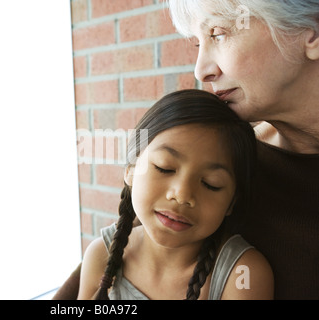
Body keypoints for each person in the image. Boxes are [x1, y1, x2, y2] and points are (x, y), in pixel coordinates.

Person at [53, 0, 319, 300]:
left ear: (311, 30)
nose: (201, 70)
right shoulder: (224, 156)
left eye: (218, 33)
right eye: (197, 44)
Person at [77, 89, 273, 300]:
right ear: (131, 169)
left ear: (232, 203)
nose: (181, 195)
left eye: (210, 184)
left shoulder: (242, 275)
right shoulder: (101, 254)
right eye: (165, 168)